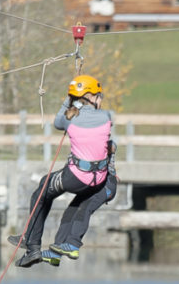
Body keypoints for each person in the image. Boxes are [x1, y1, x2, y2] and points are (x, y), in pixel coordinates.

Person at [12, 75, 117, 268]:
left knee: (41, 193)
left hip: (75, 177)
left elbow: (58, 122)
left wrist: (69, 100)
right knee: (72, 208)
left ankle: (32, 245)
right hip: (99, 178)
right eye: (99, 96)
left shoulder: (69, 119)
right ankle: (54, 249)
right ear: (91, 96)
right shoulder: (106, 116)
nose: (101, 99)